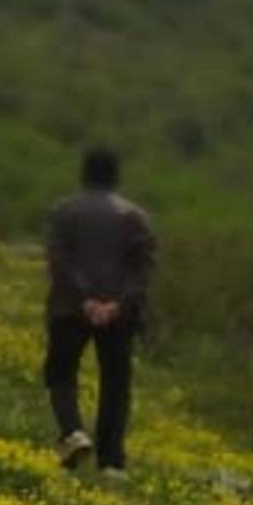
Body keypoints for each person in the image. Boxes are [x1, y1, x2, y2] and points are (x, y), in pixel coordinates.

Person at [43, 147, 159, 475]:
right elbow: (144, 269)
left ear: (84, 174)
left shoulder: (64, 212)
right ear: (116, 177)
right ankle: (111, 461)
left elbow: (59, 260)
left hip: (69, 307)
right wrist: (117, 303)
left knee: (61, 373)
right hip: (120, 315)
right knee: (116, 383)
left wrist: (85, 299)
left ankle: (72, 432)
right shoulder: (135, 217)